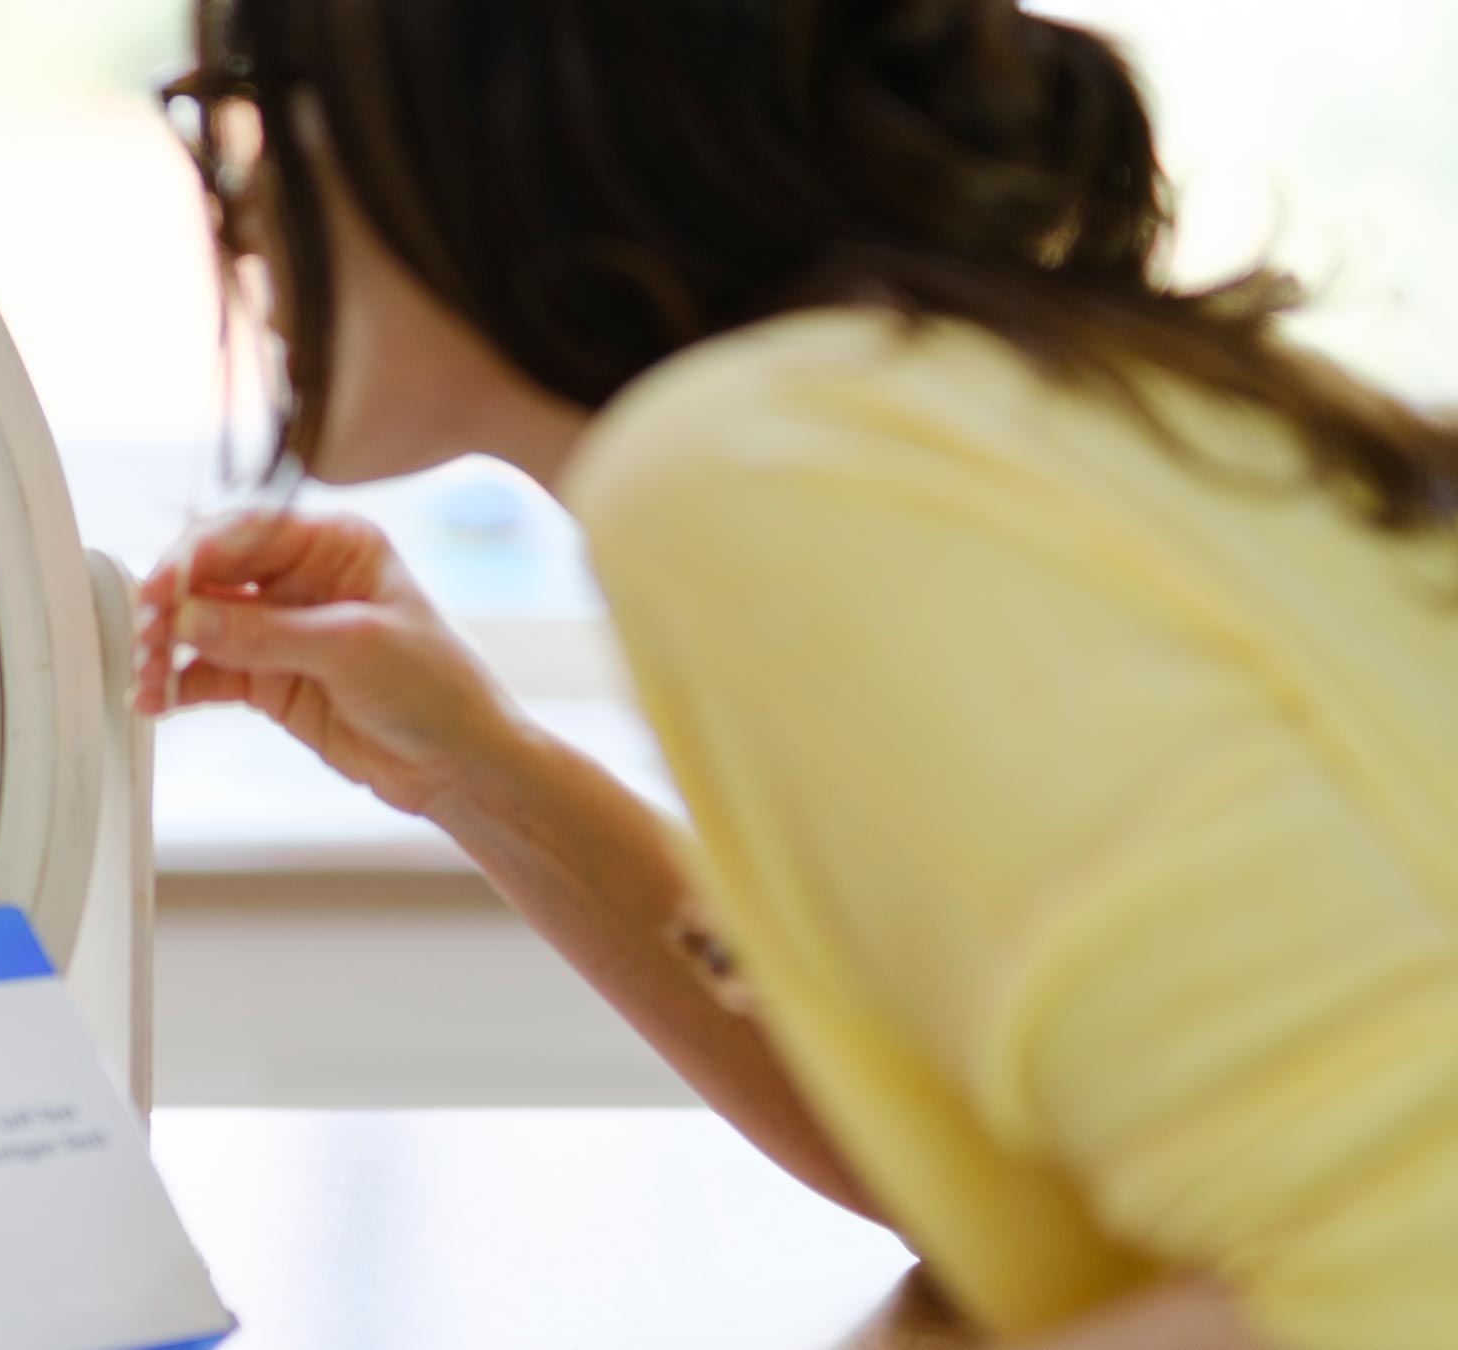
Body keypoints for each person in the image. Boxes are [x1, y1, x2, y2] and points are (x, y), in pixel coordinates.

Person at [134, 2, 1458, 1346]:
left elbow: (1399, 1270)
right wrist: (472, 761)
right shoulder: (1033, 395)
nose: (235, 200)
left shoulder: (752, 467)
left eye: (257, 96)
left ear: (498, 100)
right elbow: (952, 1154)